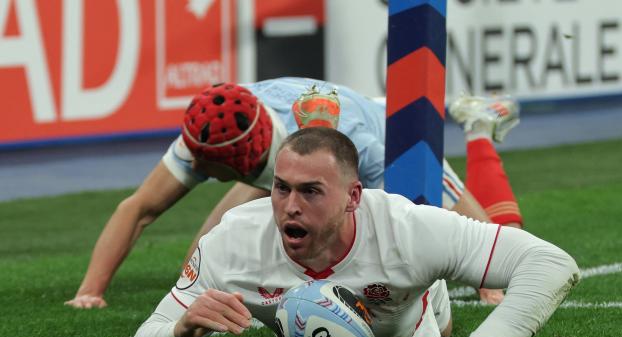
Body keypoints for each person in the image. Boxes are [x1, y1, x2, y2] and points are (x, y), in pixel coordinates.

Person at [127, 126, 580, 337]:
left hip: (413, 328)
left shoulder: (409, 229)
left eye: (311, 191)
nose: (290, 205)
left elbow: (552, 264)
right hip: (329, 326)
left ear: (352, 197)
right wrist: (180, 335)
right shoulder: (231, 243)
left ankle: (478, 134)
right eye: (281, 188)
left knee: (440, 323)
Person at [65, 77, 518, 309]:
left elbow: (412, 217)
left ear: (238, 162)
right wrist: (91, 291)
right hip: (291, 148)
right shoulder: (211, 130)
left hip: (385, 129)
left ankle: (477, 126)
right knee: (212, 247)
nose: (196, 168)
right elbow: (138, 209)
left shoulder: (346, 139)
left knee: (476, 240)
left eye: (205, 166)